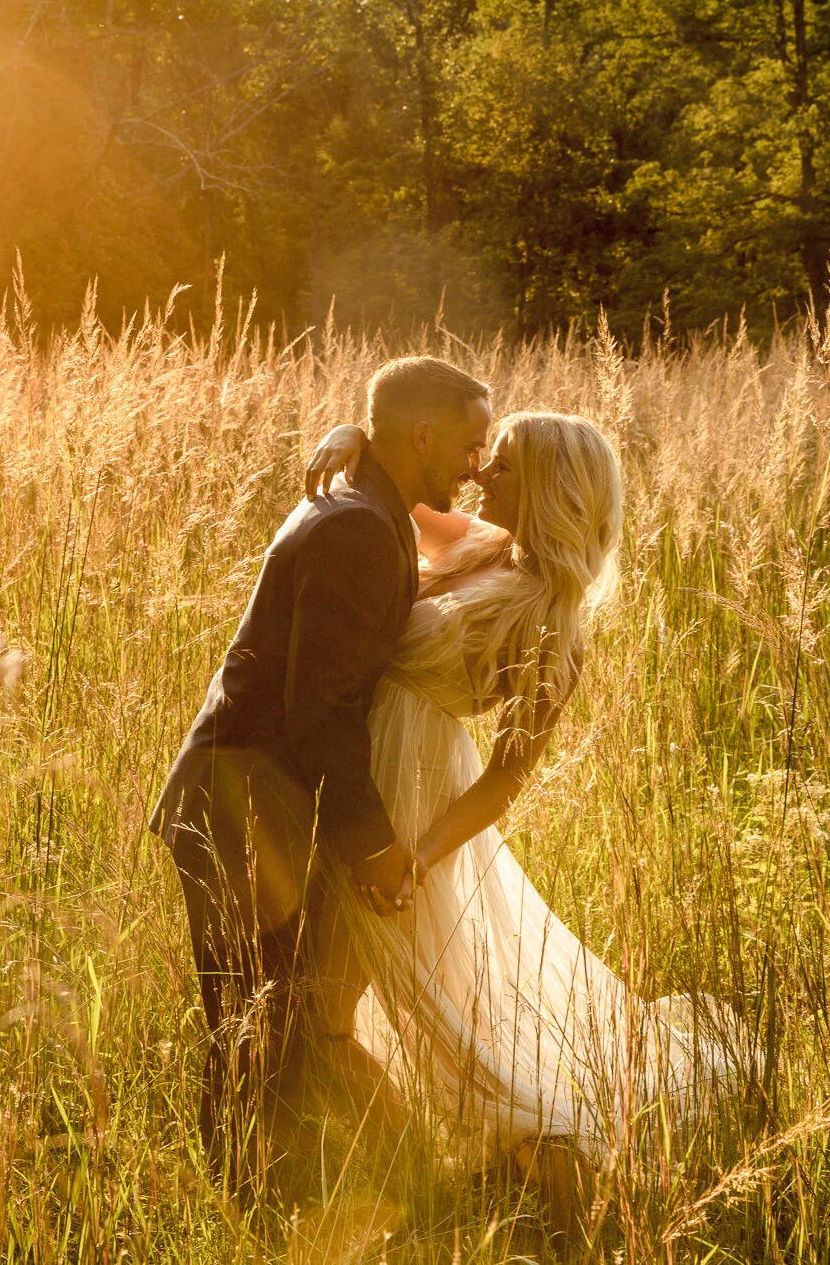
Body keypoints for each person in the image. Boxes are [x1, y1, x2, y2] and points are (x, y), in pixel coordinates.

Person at [301, 410, 758, 1220]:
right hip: (354, 768)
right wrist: (349, 432)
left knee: (363, 1014)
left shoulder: (556, 627)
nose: (480, 473)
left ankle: (517, 1195)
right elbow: (389, 492)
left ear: (549, 486)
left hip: (408, 802)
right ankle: (411, 1176)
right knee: (356, 1005)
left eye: (502, 464)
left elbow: (507, 778)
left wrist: (419, 852)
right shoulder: (481, 542)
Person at [150, 356, 495, 1206]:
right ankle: (249, 1211)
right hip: (238, 797)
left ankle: (308, 1197)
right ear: (420, 436)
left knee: (284, 1020)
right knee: (251, 1024)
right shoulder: (355, 525)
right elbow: (324, 710)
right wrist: (374, 845)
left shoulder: (369, 505)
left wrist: (356, 432)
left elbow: (507, 538)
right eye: (467, 444)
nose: (476, 465)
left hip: (260, 794)